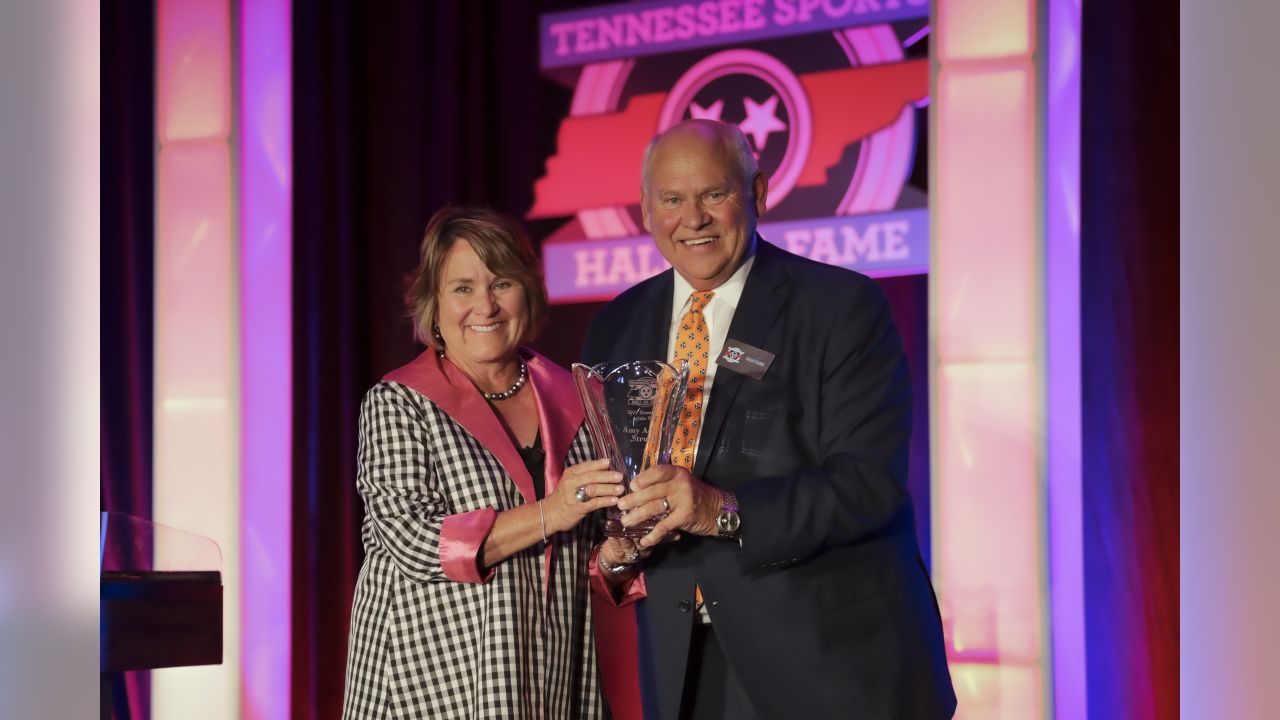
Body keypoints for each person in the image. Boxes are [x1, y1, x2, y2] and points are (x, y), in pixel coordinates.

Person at [582, 120, 957, 719]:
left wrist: (719, 509)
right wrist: (616, 547)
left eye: (714, 194)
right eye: (673, 200)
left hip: (827, 662)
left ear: (757, 194)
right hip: (683, 663)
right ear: (646, 211)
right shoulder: (617, 325)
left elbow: (868, 484)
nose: (693, 218)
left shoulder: (841, 307)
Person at [342, 207, 639, 719]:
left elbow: (587, 564)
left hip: (555, 682)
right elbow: (416, 545)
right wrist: (553, 512)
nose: (484, 304)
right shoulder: (398, 402)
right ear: (432, 305)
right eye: (462, 288)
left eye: (501, 282)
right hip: (434, 689)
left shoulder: (580, 398)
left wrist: (619, 550)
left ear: (528, 292)